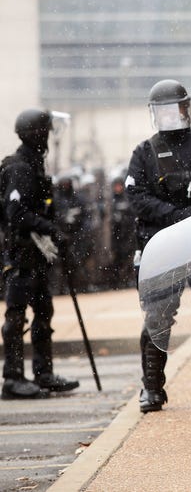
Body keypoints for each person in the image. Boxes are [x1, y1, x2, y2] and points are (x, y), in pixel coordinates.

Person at [125, 79, 191, 412]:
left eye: (176, 109)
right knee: (157, 317)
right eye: (163, 111)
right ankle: (152, 387)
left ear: (186, 108)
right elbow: (136, 196)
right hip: (162, 247)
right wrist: (173, 216)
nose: (170, 116)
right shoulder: (145, 152)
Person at [1, 108, 79, 399]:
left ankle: (43, 373)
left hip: (36, 253)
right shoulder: (19, 168)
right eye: (46, 131)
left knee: (44, 309)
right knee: (16, 315)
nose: (49, 136)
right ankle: (13, 378)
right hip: (21, 253)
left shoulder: (34, 165)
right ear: (37, 135)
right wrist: (50, 228)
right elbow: (16, 213)